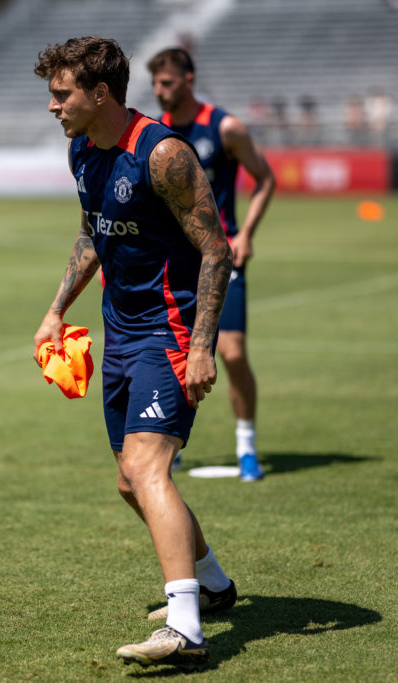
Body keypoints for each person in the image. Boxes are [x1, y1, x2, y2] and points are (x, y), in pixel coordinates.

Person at [33, 36, 236, 669]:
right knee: (130, 482)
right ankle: (213, 582)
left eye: (61, 94)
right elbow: (94, 232)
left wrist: (201, 347)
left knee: (150, 470)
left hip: (169, 336)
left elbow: (216, 250)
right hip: (119, 335)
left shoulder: (163, 154)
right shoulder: (82, 151)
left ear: (100, 95)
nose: (52, 106)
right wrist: (55, 309)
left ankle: (186, 630)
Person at [147, 47, 275, 482]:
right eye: (155, 84)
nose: (159, 91)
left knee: (232, 352)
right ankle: (169, 442)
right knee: (169, 355)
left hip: (221, 258)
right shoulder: (154, 133)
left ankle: (246, 447)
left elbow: (266, 179)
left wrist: (245, 234)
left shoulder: (225, 128)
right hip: (173, 263)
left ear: (189, 79)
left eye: (166, 83)